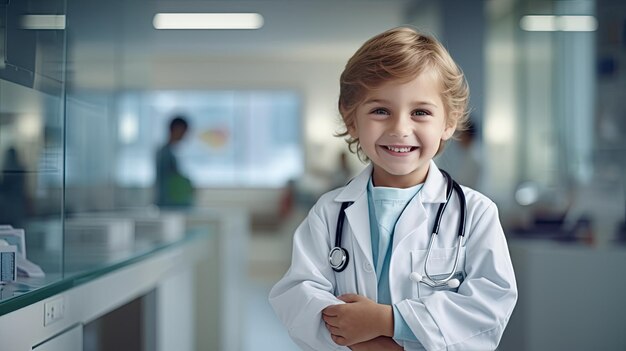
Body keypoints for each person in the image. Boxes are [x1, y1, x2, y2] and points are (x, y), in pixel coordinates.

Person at [269, 27, 517, 350]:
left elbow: (490, 308)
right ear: (351, 120)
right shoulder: (329, 214)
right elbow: (298, 298)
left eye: (420, 112)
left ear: (449, 122)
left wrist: (386, 321)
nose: (400, 129)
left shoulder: (476, 214)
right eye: (380, 111)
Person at [155, 116, 193, 207]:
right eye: (184, 132)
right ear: (176, 129)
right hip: (169, 204)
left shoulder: (168, 152)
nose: (185, 136)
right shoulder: (165, 154)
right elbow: (170, 182)